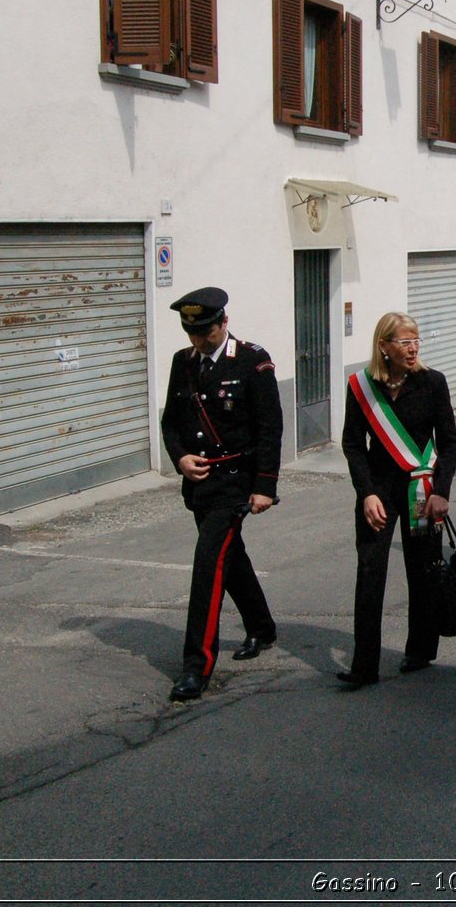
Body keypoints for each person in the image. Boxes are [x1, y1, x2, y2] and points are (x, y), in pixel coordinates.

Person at [159, 287, 281, 702]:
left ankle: (196, 665)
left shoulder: (252, 362)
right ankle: (262, 627)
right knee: (231, 559)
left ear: (224, 323)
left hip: (235, 482)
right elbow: (170, 422)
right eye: (191, 333)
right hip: (200, 484)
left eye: (206, 333)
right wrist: (180, 459)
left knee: (208, 565)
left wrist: (265, 486)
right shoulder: (183, 363)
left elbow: (270, 427)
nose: (198, 341)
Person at [339, 313, 456, 689]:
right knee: (370, 574)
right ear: (384, 346)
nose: (413, 348)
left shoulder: (432, 382)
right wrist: (366, 493)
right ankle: (364, 665)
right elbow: (353, 444)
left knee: (423, 570)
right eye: (404, 342)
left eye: (416, 341)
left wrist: (441, 491)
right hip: (379, 491)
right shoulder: (362, 386)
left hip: (421, 491)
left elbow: (451, 443)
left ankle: (420, 650)